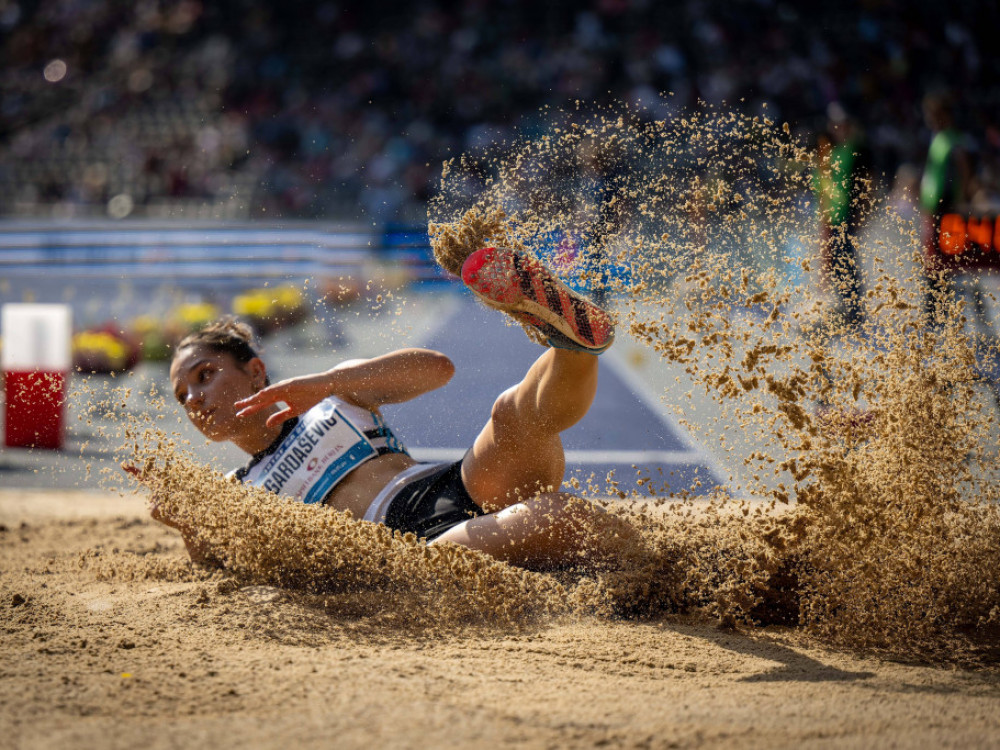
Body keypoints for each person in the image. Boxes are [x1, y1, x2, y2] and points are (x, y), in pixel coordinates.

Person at [135, 246, 636, 570]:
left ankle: (573, 344)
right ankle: (654, 569)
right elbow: (223, 569)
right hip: (409, 550)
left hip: (452, 484)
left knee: (512, 412)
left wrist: (330, 380)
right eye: (183, 396)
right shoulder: (233, 491)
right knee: (556, 516)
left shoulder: (331, 394)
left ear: (255, 371)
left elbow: (437, 370)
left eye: (205, 375)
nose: (195, 398)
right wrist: (188, 524)